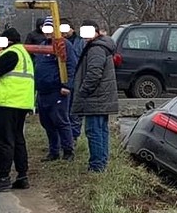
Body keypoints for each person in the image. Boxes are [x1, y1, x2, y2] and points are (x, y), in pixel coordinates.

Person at [0, 28, 35, 192]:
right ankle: (22, 177)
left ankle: (3, 178)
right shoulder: (24, 53)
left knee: (4, 141)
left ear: (7, 41)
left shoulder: (11, 53)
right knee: (17, 140)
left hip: (6, 102)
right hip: (20, 103)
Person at [71, 20, 119, 172]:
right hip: (101, 97)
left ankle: (97, 166)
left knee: (94, 132)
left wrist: (83, 91)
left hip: (96, 97)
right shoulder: (102, 46)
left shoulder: (96, 49)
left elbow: (94, 73)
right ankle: (101, 163)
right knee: (101, 130)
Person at [36, 20, 79, 161]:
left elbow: (71, 66)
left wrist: (67, 86)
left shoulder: (64, 44)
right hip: (43, 91)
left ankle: (68, 151)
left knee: (60, 121)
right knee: (46, 122)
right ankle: (53, 151)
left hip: (57, 90)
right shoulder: (42, 46)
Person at [61, 20, 85, 141]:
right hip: (63, 81)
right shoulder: (58, 43)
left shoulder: (81, 43)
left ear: (72, 29)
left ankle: (73, 137)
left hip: (77, 79)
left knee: (74, 111)